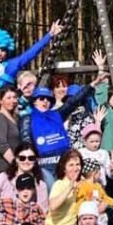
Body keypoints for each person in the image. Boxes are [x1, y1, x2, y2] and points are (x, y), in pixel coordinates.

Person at [24, 59, 104, 188]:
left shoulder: (57, 114)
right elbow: (26, 142)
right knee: (52, 193)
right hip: (44, 164)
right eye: (41, 99)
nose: (45, 101)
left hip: (63, 162)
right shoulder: (28, 118)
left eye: (48, 99)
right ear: (34, 101)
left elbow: (73, 102)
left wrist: (92, 84)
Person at [42, 151, 85, 225]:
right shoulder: (59, 184)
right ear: (64, 168)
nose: (75, 168)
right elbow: (53, 205)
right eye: (71, 165)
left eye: (78, 164)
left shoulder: (80, 185)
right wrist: (70, 187)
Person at [0, 85, 22, 175]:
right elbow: (2, 145)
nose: (13, 101)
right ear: (0, 100)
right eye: (8, 98)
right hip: (6, 168)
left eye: (14, 97)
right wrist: (16, 166)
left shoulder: (15, 118)